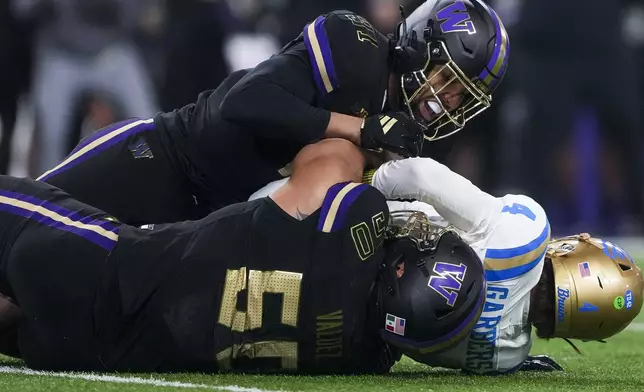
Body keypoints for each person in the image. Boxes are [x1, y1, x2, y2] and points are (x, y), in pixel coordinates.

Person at [0, 139, 486, 373]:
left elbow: (328, 154)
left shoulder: (353, 227)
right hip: (87, 351)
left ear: (403, 267)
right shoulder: (365, 359)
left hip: (98, 267)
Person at [38, 0, 510, 227]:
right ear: (417, 45)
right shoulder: (356, 48)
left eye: (460, 97)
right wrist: (359, 128)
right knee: (21, 227)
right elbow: (244, 102)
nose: (445, 102)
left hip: (195, 225)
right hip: (160, 159)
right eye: (446, 80)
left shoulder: (404, 131)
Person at [252, 156, 643, 374]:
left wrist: (368, 176)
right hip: (322, 319)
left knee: (347, 151)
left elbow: (425, 177)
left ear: (577, 256)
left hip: (322, 223)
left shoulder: (525, 236)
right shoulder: (505, 355)